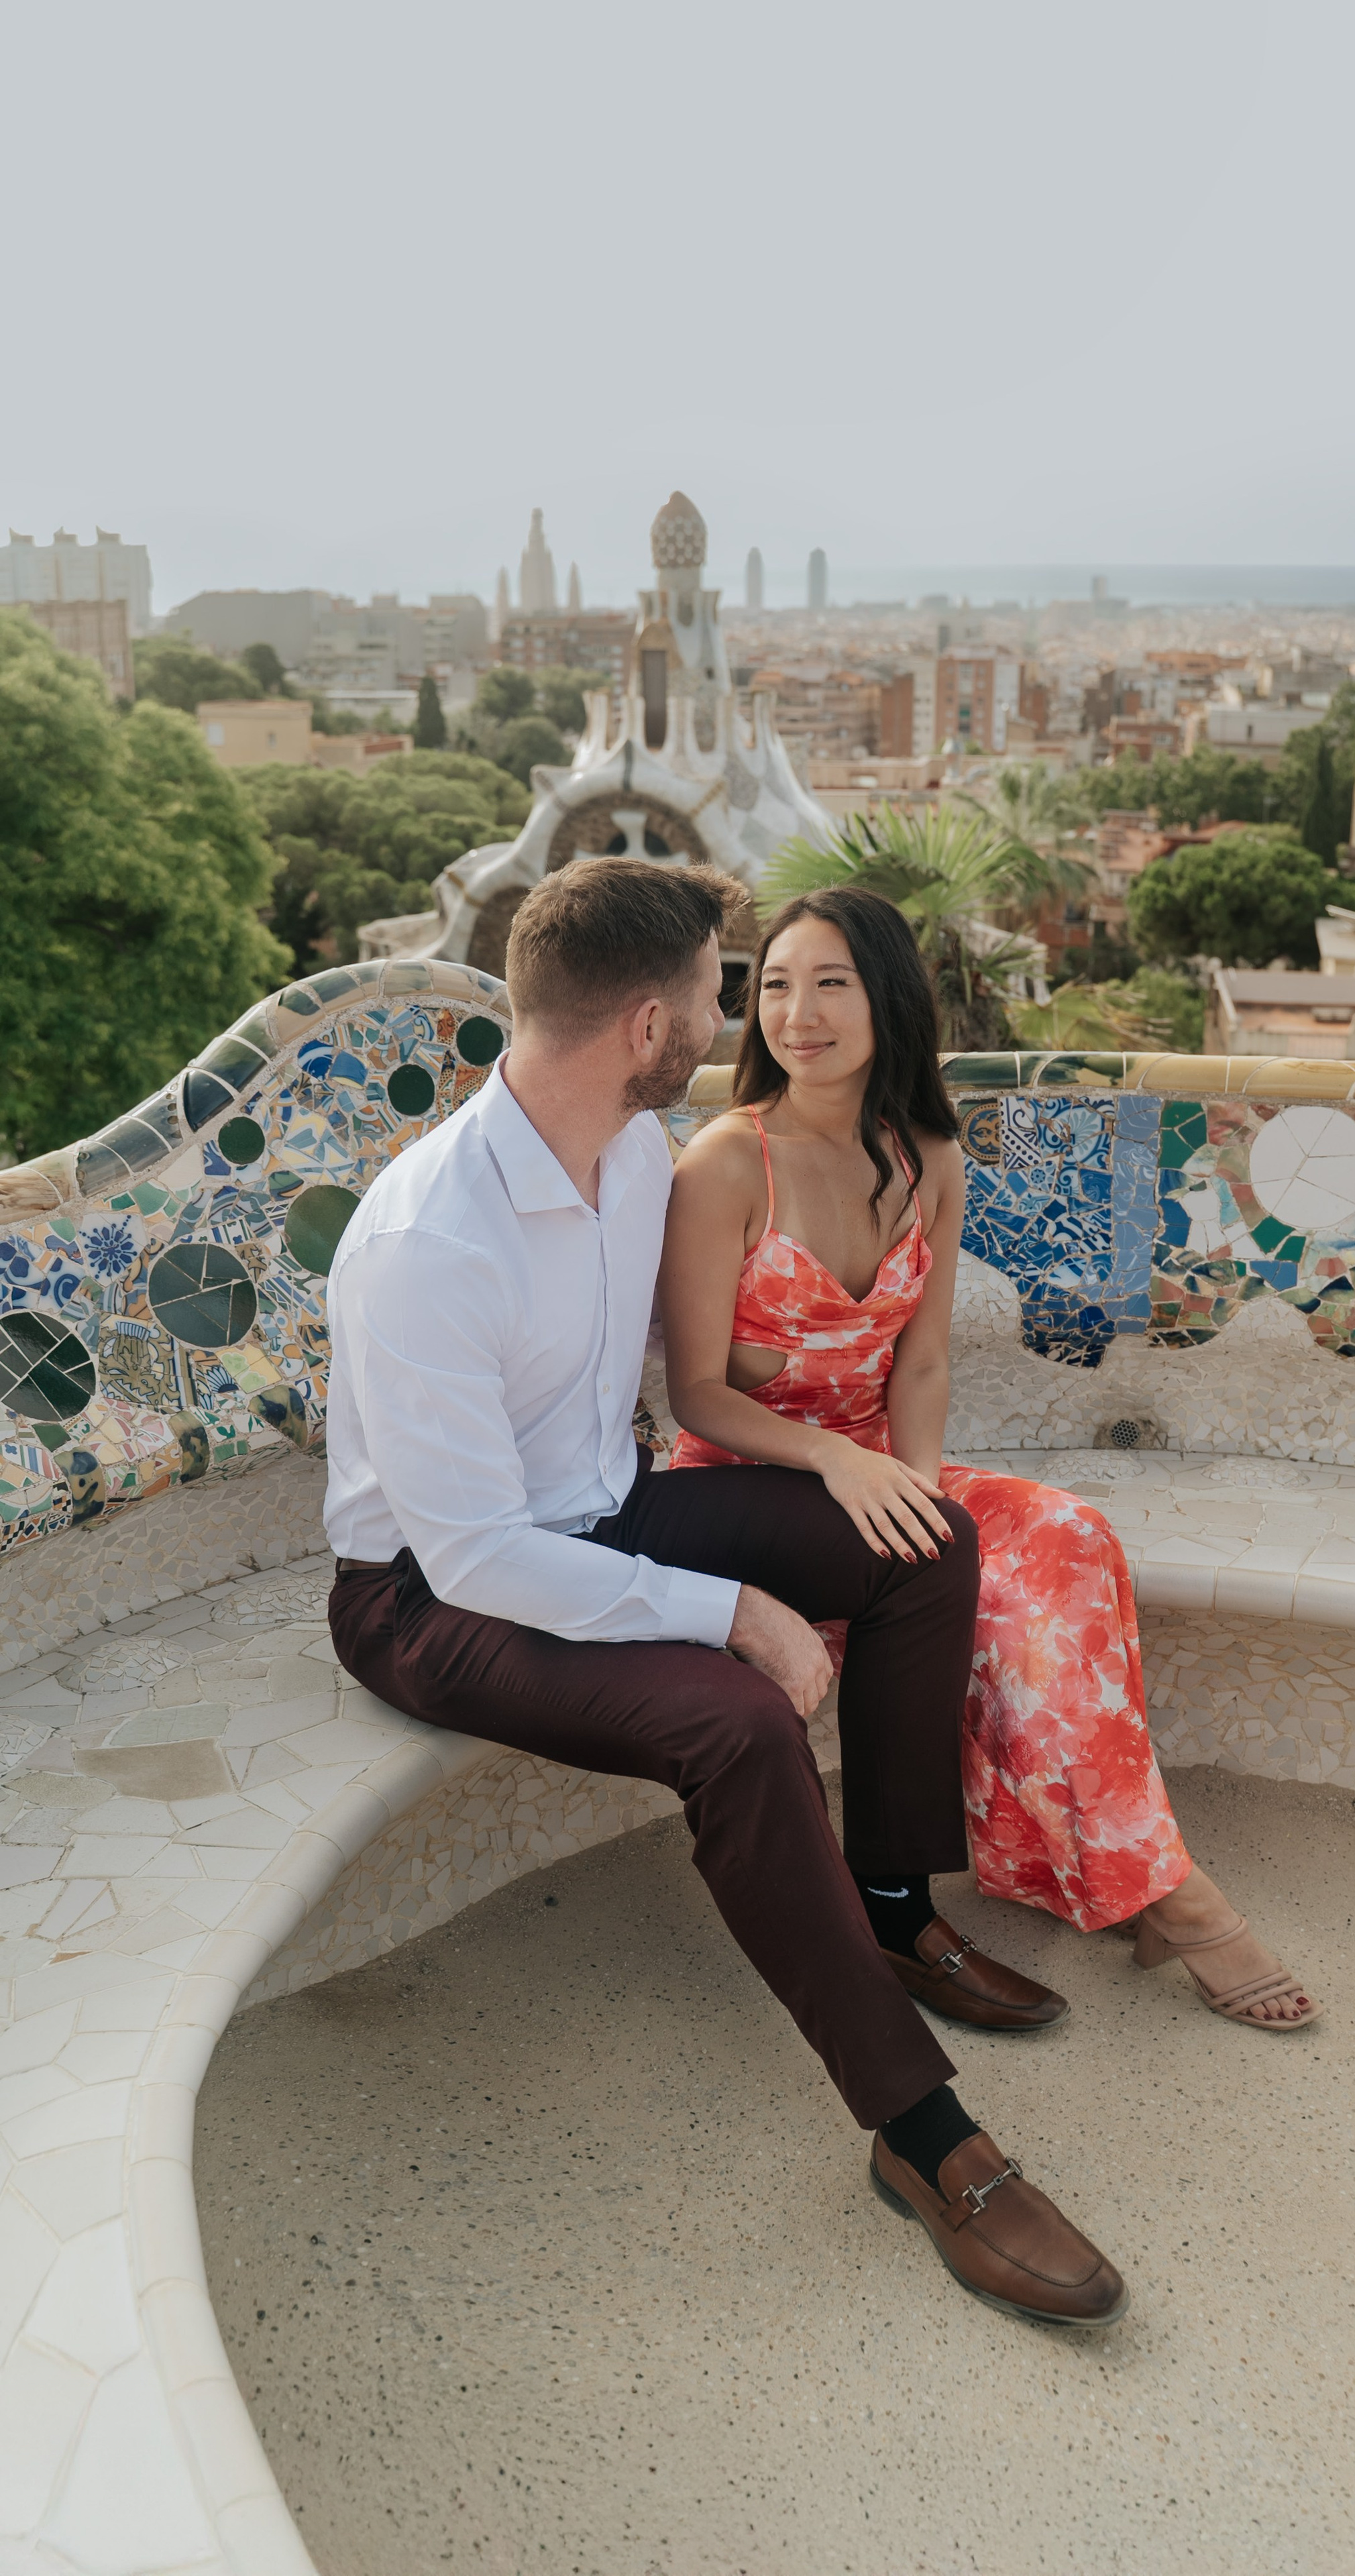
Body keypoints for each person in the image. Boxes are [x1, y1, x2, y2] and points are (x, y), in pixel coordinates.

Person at [323, 857, 1128, 2331]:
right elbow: (475, 1557)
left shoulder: (633, 1157)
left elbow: (695, 1355)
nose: (735, 1012)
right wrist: (729, 1612)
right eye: (717, 985)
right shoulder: (428, 1241)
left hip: (608, 1509)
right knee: (739, 1724)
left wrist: (765, 1384)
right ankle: (924, 2140)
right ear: (648, 1023)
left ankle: (887, 1900)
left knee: (918, 1549)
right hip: (427, 1597)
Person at [659, 885, 1321, 2034]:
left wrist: (916, 1499)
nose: (795, 1013)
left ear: (887, 1000)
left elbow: (918, 1369)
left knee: (1066, 1535)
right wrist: (842, 1469)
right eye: (773, 984)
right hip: (745, 1485)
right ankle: (1170, 1895)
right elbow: (699, 1395)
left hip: (877, 1468)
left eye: (830, 983)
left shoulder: (927, 1156)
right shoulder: (725, 1163)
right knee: (995, 1573)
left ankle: (1135, 1875)